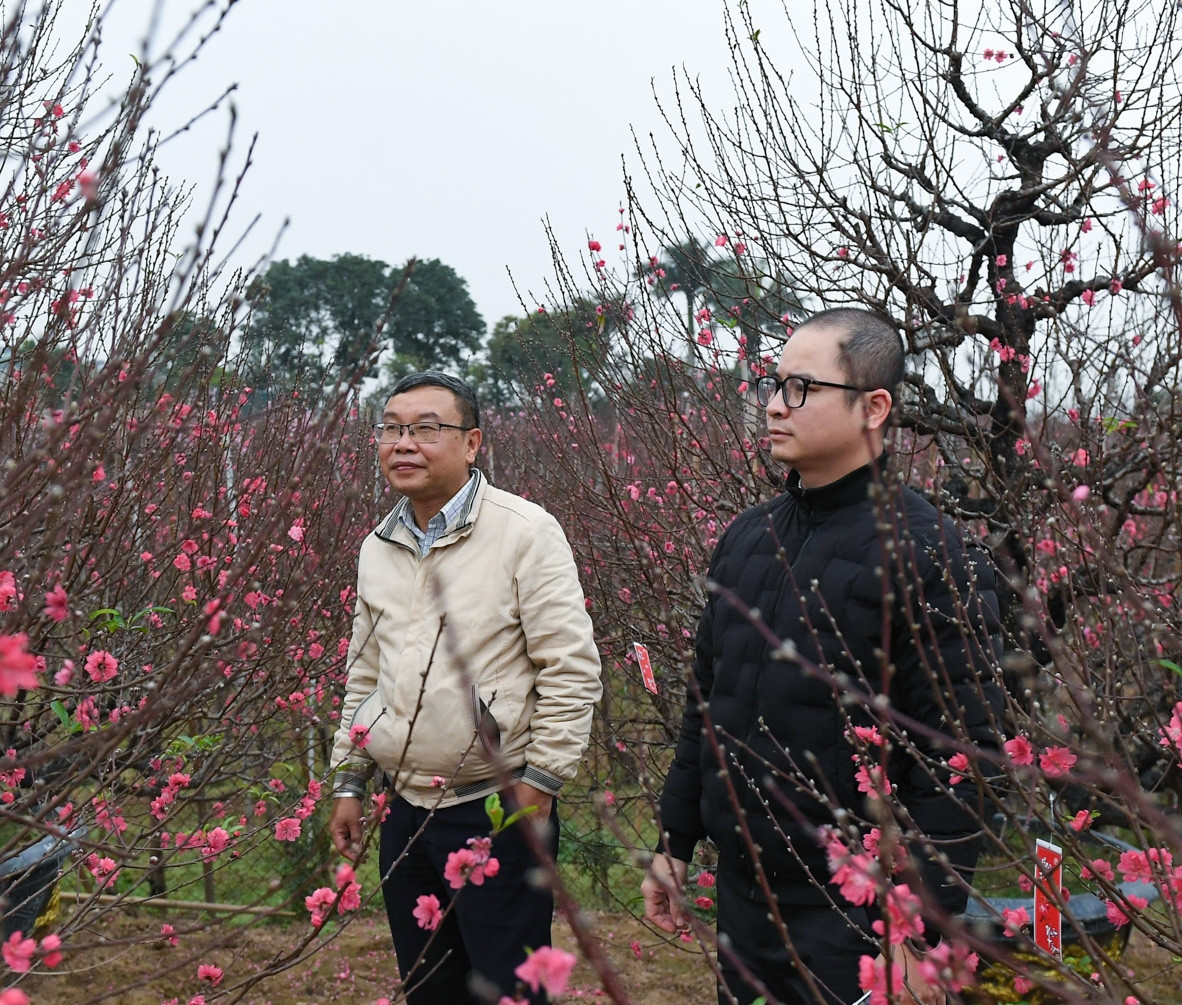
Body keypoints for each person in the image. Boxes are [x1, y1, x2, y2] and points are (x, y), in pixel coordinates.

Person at [641, 309, 1007, 1005]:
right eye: (775, 384)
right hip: (745, 899)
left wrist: (917, 925)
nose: (775, 406)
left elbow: (964, 759)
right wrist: (675, 840)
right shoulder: (746, 538)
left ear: (873, 407)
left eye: (801, 388)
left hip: (856, 917)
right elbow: (705, 705)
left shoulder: (931, 553)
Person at [326, 371, 604, 1005]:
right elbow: (365, 672)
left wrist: (538, 785)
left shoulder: (524, 532)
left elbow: (571, 667)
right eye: (391, 429)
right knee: (428, 988)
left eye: (427, 429)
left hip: (496, 807)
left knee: (506, 990)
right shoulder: (380, 546)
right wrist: (349, 778)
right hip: (405, 811)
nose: (404, 444)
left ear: (473, 443)